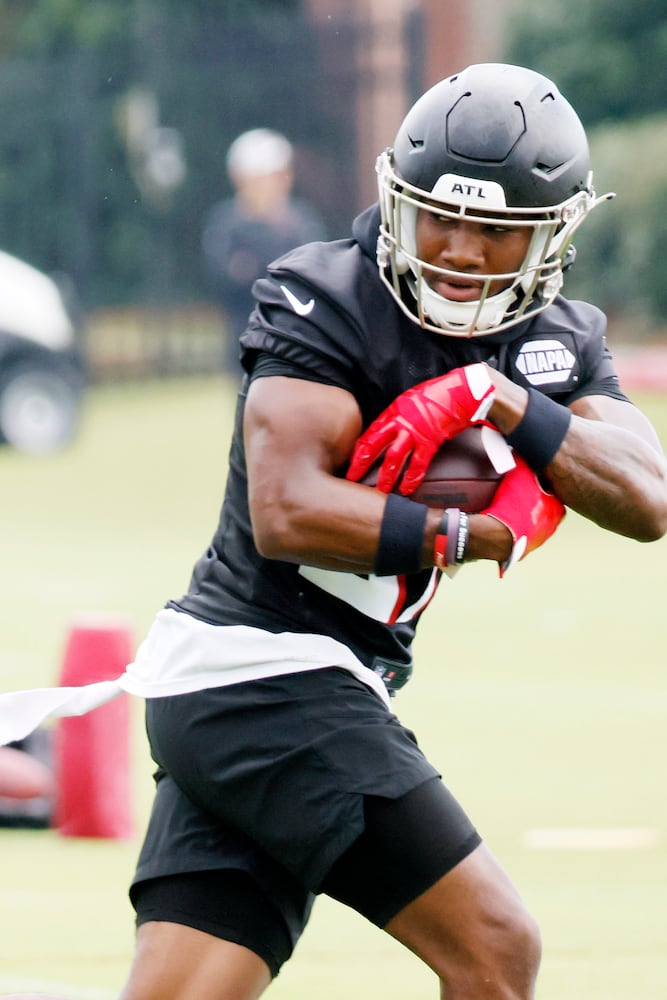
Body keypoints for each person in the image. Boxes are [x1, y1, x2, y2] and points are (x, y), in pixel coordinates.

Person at [2, 62, 667, 1000]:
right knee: (497, 948)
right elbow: (288, 514)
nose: (460, 250)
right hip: (258, 676)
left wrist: (509, 402)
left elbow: (647, 501)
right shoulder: (327, 296)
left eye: (493, 230)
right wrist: (464, 534)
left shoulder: (554, 340)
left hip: (291, 685)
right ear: (397, 196)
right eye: (439, 215)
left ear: (548, 238)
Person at [201, 127, 327, 375]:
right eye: (267, 177)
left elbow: (313, 276)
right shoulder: (226, 223)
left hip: (298, 337)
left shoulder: (301, 221)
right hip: (245, 336)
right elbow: (226, 278)